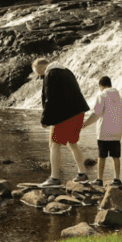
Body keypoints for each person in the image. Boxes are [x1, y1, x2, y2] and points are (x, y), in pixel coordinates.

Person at [33, 58, 90, 187]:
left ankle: (54, 178)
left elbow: (50, 99)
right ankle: (82, 174)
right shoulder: (66, 71)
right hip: (79, 112)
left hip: (66, 115)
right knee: (73, 143)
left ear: (42, 68)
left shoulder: (50, 74)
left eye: (39, 74)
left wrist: (45, 119)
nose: (40, 77)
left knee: (54, 143)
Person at [82, 76, 122, 188]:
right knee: (116, 156)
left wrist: (84, 124)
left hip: (104, 132)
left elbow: (96, 114)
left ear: (101, 85)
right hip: (116, 132)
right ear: (110, 84)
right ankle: (117, 180)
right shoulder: (119, 97)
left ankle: (99, 180)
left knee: (102, 157)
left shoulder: (102, 95)